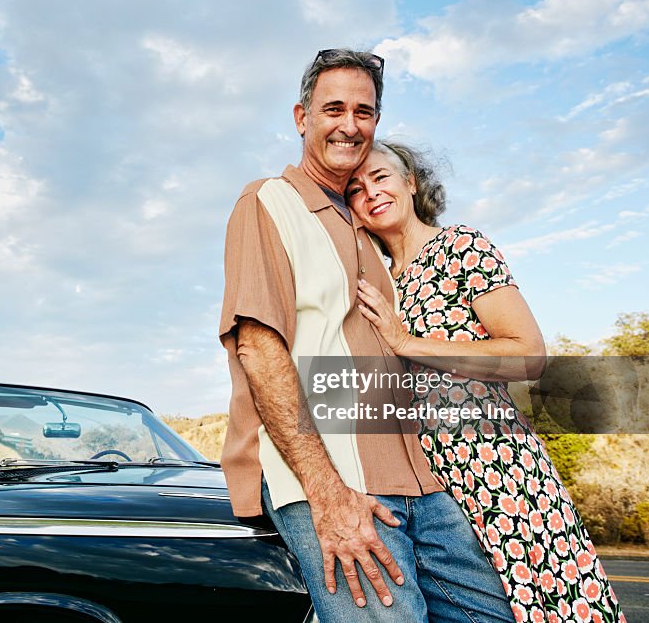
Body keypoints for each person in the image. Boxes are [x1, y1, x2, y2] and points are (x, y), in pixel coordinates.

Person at [219, 49, 516, 622]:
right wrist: (326, 492)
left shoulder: (367, 225)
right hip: (332, 476)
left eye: (366, 111)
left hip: (422, 478)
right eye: (334, 109)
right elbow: (259, 347)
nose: (350, 124)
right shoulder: (267, 202)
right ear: (302, 116)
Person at [349, 141, 625, 623]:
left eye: (381, 177)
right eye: (355, 188)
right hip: (427, 480)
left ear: (411, 182)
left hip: (497, 468)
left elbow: (528, 353)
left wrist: (407, 341)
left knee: (543, 603)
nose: (371, 193)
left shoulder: (460, 245)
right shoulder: (381, 279)